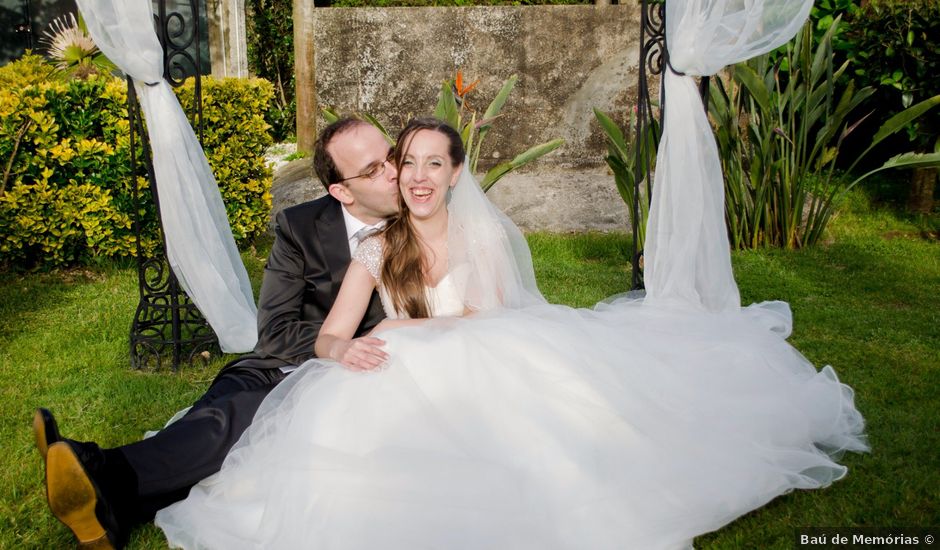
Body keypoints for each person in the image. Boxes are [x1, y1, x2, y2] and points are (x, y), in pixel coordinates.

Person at [155, 117, 867, 550]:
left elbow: (492, 319)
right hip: (394, 368)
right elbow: (329, 333)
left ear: (457, 172)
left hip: (482, 355)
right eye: (408, 164)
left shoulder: (479, 238)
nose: (419, 175)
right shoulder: (377, 245)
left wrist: (427, 337)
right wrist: (343, 347)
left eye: (435, 163)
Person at [33, 118, 401, 549]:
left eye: (391, 155)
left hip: (345, 383)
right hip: (272, 364)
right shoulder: (301, 227)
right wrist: (333, 343)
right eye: (374, 169)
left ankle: (96, 472)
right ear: (341, 190)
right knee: (210, 420)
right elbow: (276, 329)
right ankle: (105, 506)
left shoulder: (422, 222)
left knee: (238, 419)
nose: (394, 171)